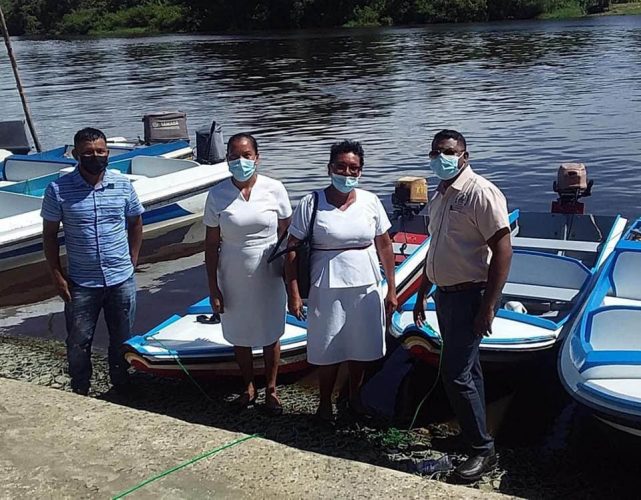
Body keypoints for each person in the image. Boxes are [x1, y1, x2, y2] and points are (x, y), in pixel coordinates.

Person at [413, 129, 512, 482]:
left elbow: (503, 248)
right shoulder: (439, 195)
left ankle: (483, 451)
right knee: (469, 371)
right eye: (437, 151)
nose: (442, 157)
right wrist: (424, 289)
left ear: (464, 155)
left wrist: (489, 305)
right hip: (445, 294)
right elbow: (435, 246)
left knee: (455, 373)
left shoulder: (479, 193)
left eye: (450, 151)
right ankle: (478, 435)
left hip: (472, 295)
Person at [286, 140, 397, 423]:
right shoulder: (312, 203)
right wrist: (294, 294)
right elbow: (292, 250)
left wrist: (392, 289)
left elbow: (384, 245)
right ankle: (324, 402)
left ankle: (354, 397)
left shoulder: (370, 201)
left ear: (360, 171)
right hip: (327, 283)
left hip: (366, 281)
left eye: (354, 168)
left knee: (361, 344)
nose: (347, 173)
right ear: (329, 168)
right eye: (341, 167)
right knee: (327, 345)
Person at [41, 127, 144, 396]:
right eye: (88, 153)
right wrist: (57, 276)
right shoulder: (58, 190)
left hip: (121, 279)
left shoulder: (122, 185)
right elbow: (50, 236)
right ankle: (80, 389)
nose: (95, 156)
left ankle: (121, 386)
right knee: (78, 341)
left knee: (122, 339)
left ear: (108, 153)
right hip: (81, 282)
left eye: (100, 151)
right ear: (76, 155)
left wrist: (133, 260)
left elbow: (135, 223)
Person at [204, 133, 292, 415]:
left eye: (246, 155)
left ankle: (272, 388)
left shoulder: (275, 188)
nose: (240, 161)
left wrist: (292, 280)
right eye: (233, 155)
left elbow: (288, 235)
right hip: (232, 268)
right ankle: (248, 386)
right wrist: (213, 288)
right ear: (227, 158)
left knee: (270, 331)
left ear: (257, 157)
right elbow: (210, 245)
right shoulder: (217, 194)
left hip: (268, 269)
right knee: (239, 331)